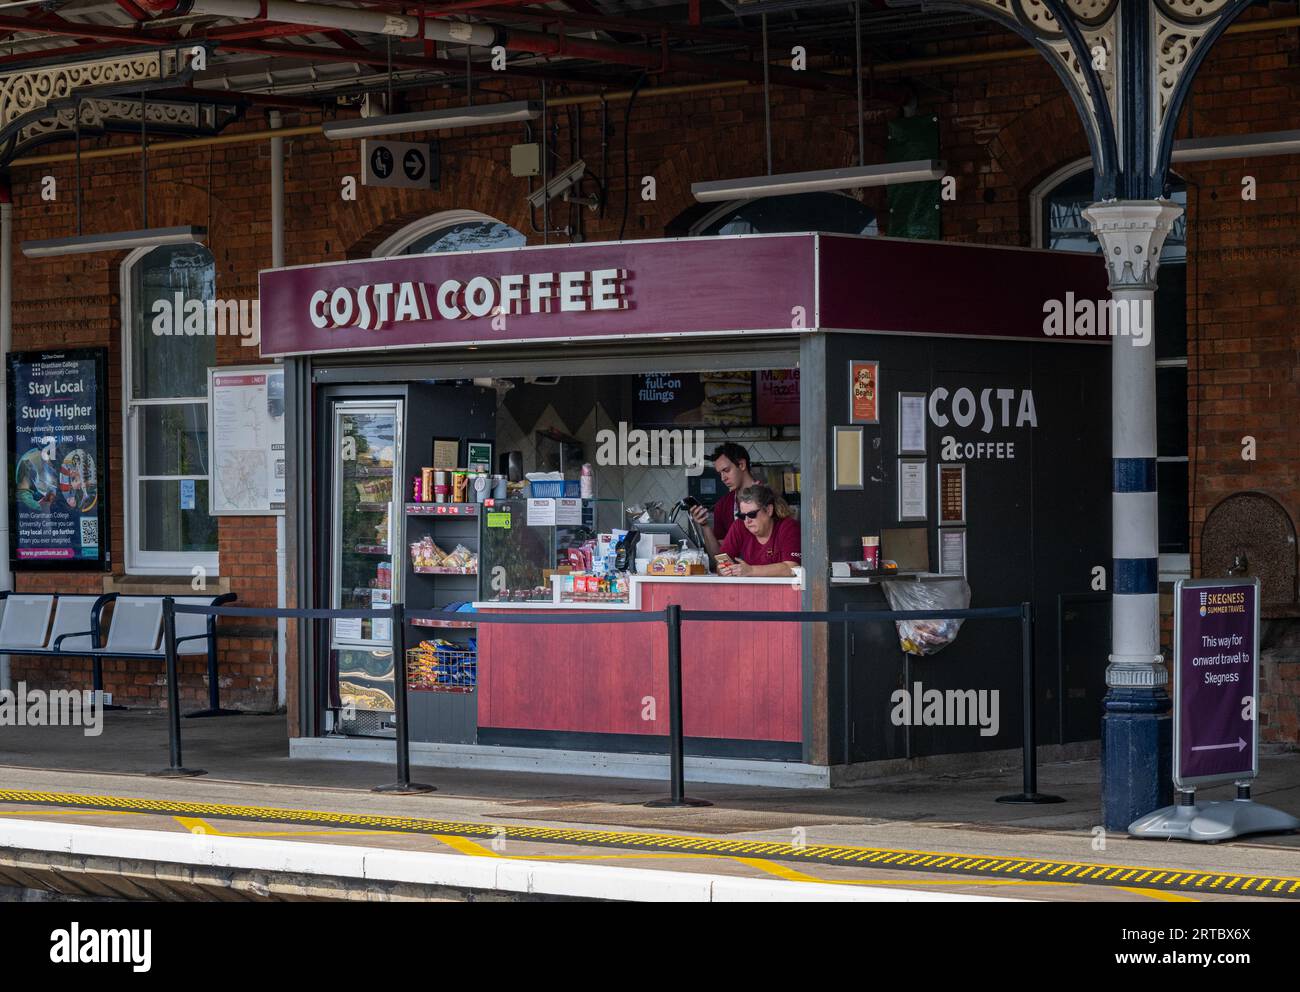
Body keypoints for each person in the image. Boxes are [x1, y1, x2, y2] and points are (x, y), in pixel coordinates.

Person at [716, 484, 801, 577]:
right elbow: (721, 562)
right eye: (742, 516)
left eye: (752, 514)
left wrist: (751, 570)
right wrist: (724, 570)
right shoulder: (739, 526)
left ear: (769, 510)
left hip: (784, 590)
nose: (747, 520)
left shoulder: (788, 527)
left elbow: (793, 569)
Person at [688, 442, 757, 557]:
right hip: (733, 572)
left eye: (726, 470)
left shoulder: (768, 498)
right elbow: (719, 556)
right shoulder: (722, 505)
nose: (723, 478)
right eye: (720, 473)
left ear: (742, 465)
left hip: (764, 571)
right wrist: (704, 525)